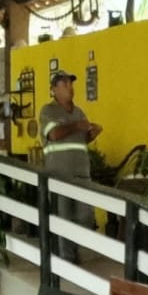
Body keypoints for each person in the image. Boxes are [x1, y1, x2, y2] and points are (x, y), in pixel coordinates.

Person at [39, 68, 102, 237]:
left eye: (71, 83)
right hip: (60, 176)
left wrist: (92, 134)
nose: (70, 87)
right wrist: (76, 126)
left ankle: (78, 250)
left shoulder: (79, 112)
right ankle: (65, 253)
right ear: (54, 89)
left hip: (82, 174)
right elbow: (53, 134)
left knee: (85, 218)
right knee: (63, 219)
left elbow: (81, 140)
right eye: (65, 83)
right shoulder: (48, 111)